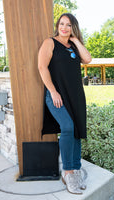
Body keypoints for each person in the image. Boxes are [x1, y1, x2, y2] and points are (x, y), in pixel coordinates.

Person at [38, 13, 92, 194]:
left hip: (75, 97)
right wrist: (53, 91)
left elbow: (88, 59)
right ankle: (67, 172)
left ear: (73, 27)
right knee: (68, 127)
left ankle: (75, 171)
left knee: (76, 130)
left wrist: (76, 41)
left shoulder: (73, 46)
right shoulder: (50, 43)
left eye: (68, 25)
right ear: (57, 25)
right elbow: (42, 67)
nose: (64, 28)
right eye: (62, 24)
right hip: (57, 96)